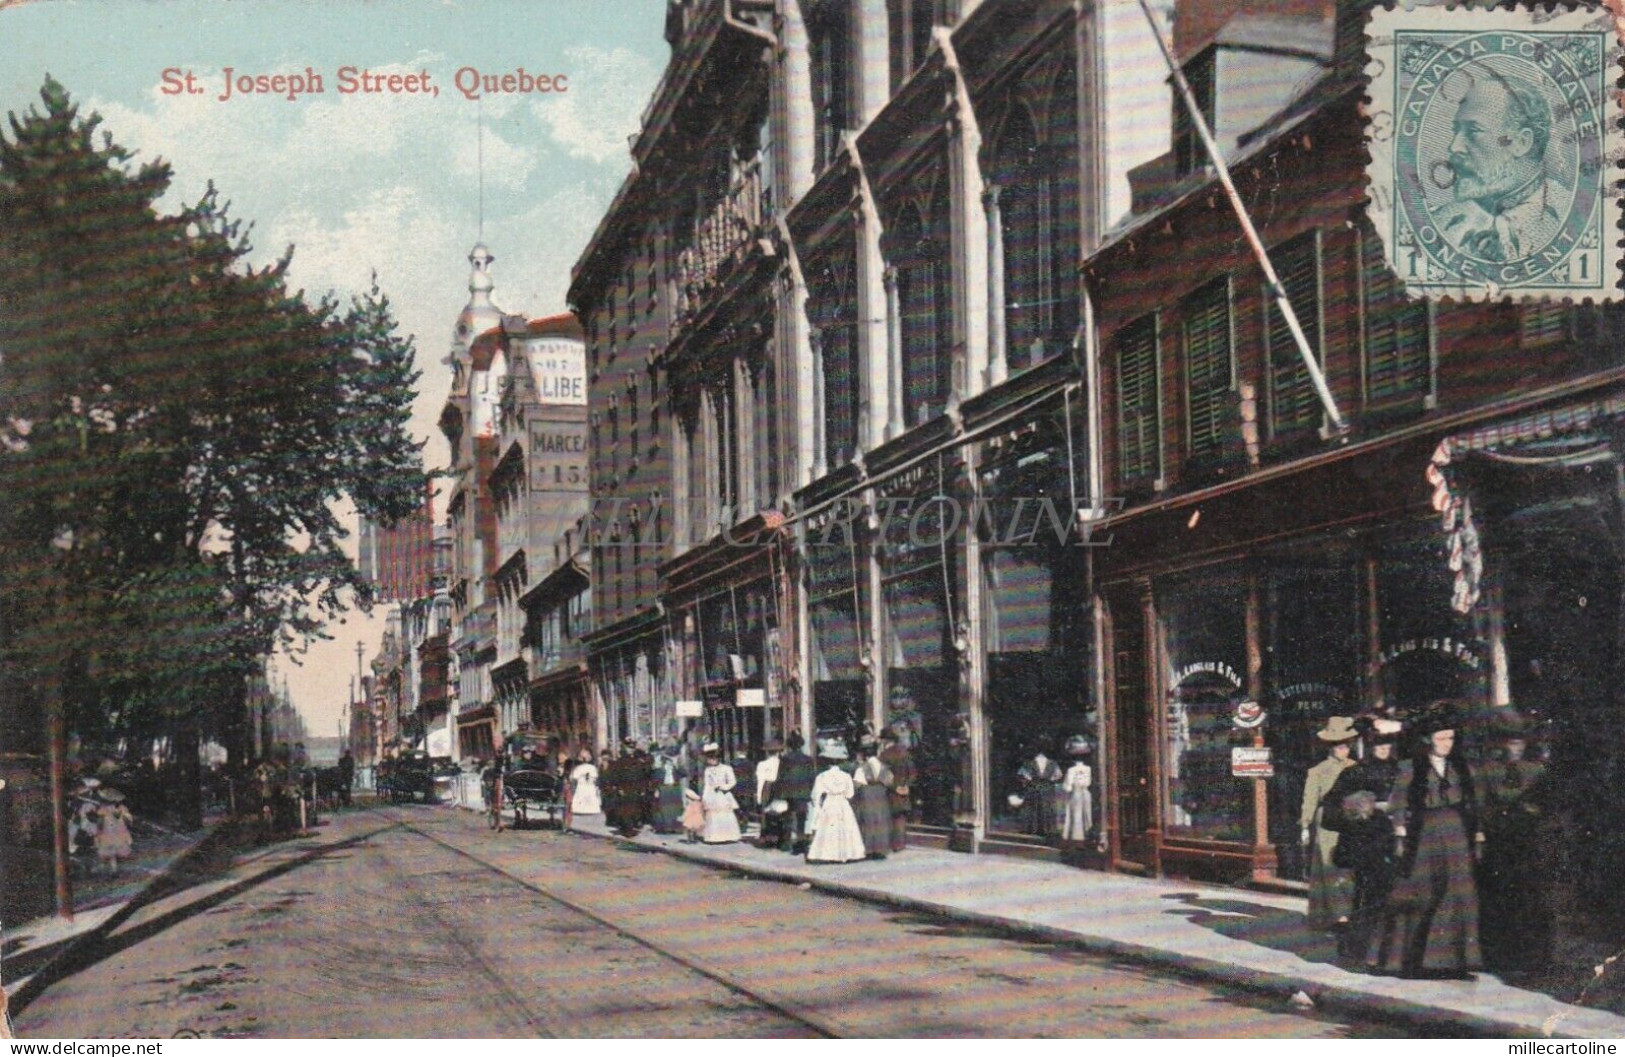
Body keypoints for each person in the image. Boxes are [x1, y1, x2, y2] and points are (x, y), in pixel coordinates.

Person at [1368, 701, 1484, 978]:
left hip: (1455, 834)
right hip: (1425, 834)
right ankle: (1410, 960)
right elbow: (1398, 803)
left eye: (1451, 738)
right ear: (1428, 739)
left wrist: (1478, 832)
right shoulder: (1411, 767)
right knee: (1420, 892)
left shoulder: (1461, 767)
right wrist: (1399, 832)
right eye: (1441, 738)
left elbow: (1473, 802)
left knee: (1458, 891)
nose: (1446, 743)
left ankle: (1451, 961)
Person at [1437, 71, 1562, 262]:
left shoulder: (1573, 215)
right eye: (1456, 130)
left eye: (1473, 131)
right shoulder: (1440, 221)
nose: (1454, 147)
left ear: (1521, 142)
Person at [1319, 714, 1404, 962]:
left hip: (1396, 843)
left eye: (1388, 743)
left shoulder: (1401, 770)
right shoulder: (1354, 774)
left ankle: (1390, 954)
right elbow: (1329, 813)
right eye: (1378, 743)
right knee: (1368, 898)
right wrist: (1360, 809)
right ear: (1369, 745)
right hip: (1366, 844)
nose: (1384, 748)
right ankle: (1359, 952)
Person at [1476, 709, 1552, 973]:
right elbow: (1481, 806)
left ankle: (1533, 959)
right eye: (1508, 742)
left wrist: (1533, 813)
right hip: (1498, 846)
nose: (1513, 748)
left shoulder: (1537, 772)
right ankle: (1500, 958)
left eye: (1518, 742)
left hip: (1528, 845)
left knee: (1529, 900)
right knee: (1497, 900)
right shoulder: (1488, 771)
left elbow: (1548, 805)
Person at [1301, 715, 1358, 931]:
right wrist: (1305, 825)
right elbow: (1310, 799)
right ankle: (1336, 917)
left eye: (1346, 746)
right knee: (1330, 867)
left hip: (1352, 819)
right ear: (1331, 747)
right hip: (1327, 823)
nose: (1344, 750)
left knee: (1349, 869)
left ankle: (1349, 913)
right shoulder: (1317, 771)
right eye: (1339, 746)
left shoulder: (1356, 767)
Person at [807, 740, 866, 863]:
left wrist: (817, 807)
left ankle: (828, 854)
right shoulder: (846, 776)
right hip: (843, 803)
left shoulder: (822, 776)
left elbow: (816, 795)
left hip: (829, 802)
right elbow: (850, 794)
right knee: (845, 827)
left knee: (829, 828)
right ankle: (846, 853)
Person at [774, 731, 817, 854]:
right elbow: (811, 777)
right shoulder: (808, 759)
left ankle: (786, 844)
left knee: (787, 818)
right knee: (801, 820)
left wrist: (778, 794)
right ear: (801, 745)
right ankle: (801, 844)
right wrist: (809, 790)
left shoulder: (785, 759)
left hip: (788, 793)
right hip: (803, 793)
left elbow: (780, 777)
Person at [851, 736, 894, 858]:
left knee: (867, 822)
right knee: (881, 821)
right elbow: (890, 781)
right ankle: (881, 850)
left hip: (867, 796)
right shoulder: (884, 766)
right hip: (881, 795)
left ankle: (869, 850)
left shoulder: (862, 768)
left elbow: (857, 784)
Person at [878, 728, 915, 853]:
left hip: (891, 791)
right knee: (901, 817)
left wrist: (895, 787)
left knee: (891, 816)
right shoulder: (905, 752)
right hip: (904, 789)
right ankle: (901, 844)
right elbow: (912, 772)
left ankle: (894, 844)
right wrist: (907, 786)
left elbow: (883, 775)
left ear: (885, 740)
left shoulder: (884, 755)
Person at [1016, 746, 1065, 839]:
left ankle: (1038, 829)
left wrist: (1030, 780)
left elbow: (1023, 774)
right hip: (1043, 787)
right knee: (1042, 807)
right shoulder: (1050, 763)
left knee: (1041, 807)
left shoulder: (1031, 763)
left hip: (1038, 787)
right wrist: (1050, 780)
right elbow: (1058, 775)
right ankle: (1045, 829)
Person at [700, 743, 742, 844]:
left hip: (723, 795)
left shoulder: (727, 769)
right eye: (709, 759)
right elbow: (707, 784)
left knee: (725, 815)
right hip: (712, 795)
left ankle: (729, 836)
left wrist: (724, 787)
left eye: (713, 758)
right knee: (713, 815)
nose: (711, 761)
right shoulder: (707, 770)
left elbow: (732, 782)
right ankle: (714, 837)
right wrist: (705, 797)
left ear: (718, 759)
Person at [1061, 736, 1094, 845]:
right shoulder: (1088, 769)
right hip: (1086, 792)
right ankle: (1087, 834)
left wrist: (1066, 788)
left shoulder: (1071, 770)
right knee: (1086, 813)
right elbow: (1089, 782)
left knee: (1075, 814)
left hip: (1075, 793)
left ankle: (1076, 837)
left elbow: (1068, 786)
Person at [651, 740, 687, 835]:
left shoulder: (676, 764)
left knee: (675, 808)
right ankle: (665, 827)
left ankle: (675, 827)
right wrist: (656, 789)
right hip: (664, 787)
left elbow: (684, 774)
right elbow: (655, 777)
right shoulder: (659, 764)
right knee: (664, 809)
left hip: (674, 787)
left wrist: (676, 764)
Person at [94, 789, 133, 876]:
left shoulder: (103, 809)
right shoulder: (122, 808)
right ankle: (114, 869)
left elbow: (100, 822)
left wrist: (98, 830)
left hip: (108, 831)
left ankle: (112, 869)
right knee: (116, 849)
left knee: (109, 850)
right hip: (119, 831)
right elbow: (128, 820)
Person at [755, 738, 783, 848]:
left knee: (766, 814)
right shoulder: (782, 763)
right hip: (779, 788)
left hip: (767, 788)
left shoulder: (762, 764)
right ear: (779, 751)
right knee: (780, 812)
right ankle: (780, 837)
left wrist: (758, 797)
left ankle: (767, 839)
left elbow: (760, 781)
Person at [569, 749, 602, 821]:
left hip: (582, 785)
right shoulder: (593, 768)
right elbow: (595, 777)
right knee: (590, 796)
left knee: (581, 796)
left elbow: (573, 778)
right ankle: (591, 809)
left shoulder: (578, 768)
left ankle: (581, 809)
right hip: (589, 786)